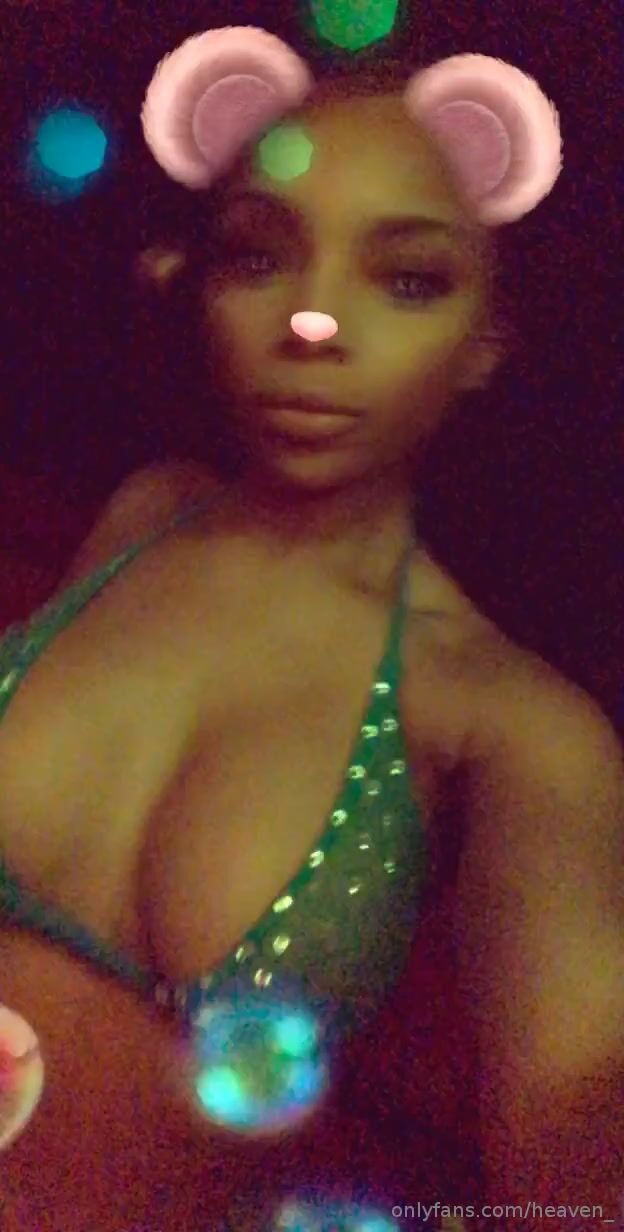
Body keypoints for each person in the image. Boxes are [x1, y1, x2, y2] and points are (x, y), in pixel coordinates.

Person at [0, 27, 622, 1232]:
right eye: (258, 255)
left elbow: (577, 1109)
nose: (314, 323)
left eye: (407, 278)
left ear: (488, 341)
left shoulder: (505, 720)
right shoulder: (146, 512)